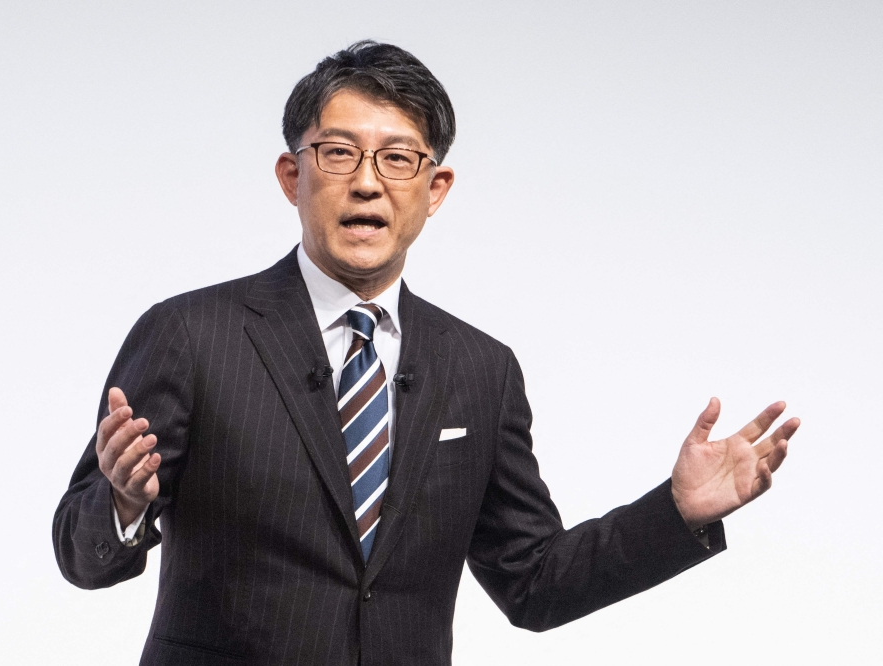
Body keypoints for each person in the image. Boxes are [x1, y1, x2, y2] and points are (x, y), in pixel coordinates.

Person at [53, 41, 799, 666]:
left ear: (435, 187)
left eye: (399, 160)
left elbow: (533, 583)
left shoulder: (480, 369)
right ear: (294, 176)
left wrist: (676, 513)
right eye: (339, 153)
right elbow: (79, 554)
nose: (368, 183)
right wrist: (120, 503)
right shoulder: (191, 334)